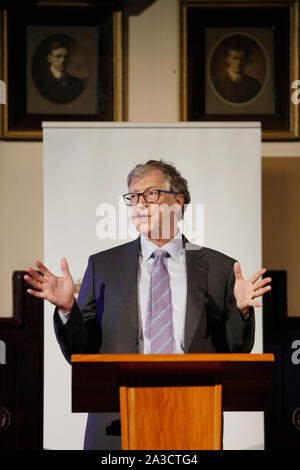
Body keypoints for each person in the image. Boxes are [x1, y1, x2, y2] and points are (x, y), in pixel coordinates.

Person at [24, 159, 271, 449]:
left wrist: (240, 312)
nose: (139, 204)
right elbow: (81, 354)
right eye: (133, 197)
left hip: (194, 419)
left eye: (151, 194)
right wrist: (68, 310)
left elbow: (235, 352)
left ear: (177, 202)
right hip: (115, 423)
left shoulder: (220, 268)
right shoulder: (103, 266)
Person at [33, 39, 84, 104]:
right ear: (49, 58)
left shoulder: (77, 83)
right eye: (58, 56)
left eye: (65, 56)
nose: (62, 60)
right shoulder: (40, 82)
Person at [212, 39, 262, 104]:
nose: (238, 62)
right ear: (228, 59)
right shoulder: (216, 83)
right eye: (235, 58)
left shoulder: (254, 84)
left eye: (242, 59)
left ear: (246, 60)